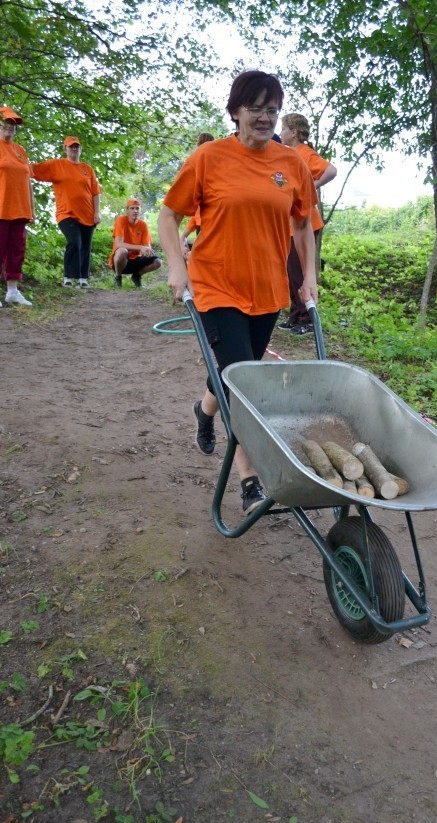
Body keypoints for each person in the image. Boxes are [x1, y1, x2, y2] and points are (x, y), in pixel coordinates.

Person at [158, 70, 318, 515]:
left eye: (272, 110)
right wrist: (176, 264)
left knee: (231, 375)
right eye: (255, 109)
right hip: (216, 286)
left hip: (267, 292)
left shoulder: (292, 164)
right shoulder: (209, 157)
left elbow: (303, 225)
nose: (265, 118)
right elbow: (169, 215)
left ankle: (204, 410)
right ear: (235, 112)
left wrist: (309, 277)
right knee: (245, 384)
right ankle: (251, 485)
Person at [279, 113, 337, 335]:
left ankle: (307, 319)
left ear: (293, 132)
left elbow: (331, 171)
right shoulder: (287, 153)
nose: (281, 132)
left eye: (284, 129)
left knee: (301, 272)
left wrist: (311, 188)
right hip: (290, 226)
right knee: (291, 273)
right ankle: (295, 316)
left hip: (305, 225)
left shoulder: (304, 152)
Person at [31, 136, 102, 288]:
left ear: (80, 149)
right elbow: (32, 169)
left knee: (85, 246)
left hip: (88, 214)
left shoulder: (87, 169)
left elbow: (96, 193)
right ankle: (68, 276)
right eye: (70, 147)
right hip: (66, 214)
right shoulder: (57, 165)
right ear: (65, 149)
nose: (74, 149)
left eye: (76, 147)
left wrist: (97, 212)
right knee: (74, 242)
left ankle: (83, 278)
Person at [0, 106, 34, 307]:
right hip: (1, 207)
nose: (10, 127)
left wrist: (32, 208)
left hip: (20, 209)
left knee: (16, 249)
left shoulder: (20, 150)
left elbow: (28, 179)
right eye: (7, 123)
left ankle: (12, 291)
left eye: (13, 124)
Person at [109, 199, 162, 287]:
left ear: (140, 211)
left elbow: (147, 246)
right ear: (127, 211)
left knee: (158, 262)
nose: (135, 211)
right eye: (132, 208)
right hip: (121, 261)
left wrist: (147, 250)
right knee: (122, 251)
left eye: (137, 208)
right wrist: (141, 247)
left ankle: (137, 276)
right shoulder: (121, 220)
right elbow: (119, 244)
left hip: (136, 259)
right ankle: (118, 277)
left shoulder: (143, 225)